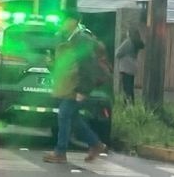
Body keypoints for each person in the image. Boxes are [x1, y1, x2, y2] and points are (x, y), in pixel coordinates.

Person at [44, 11, 107, 164]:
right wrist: (51, 64)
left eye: (65, 19)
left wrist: (82, 90)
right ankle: (95, 144)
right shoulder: (69, 38)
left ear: (73, 21)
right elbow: (67, 64)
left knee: (64, 114)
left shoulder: (81, 39)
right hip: (70, 85)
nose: (63, 23)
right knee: (73, 118)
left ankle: (60, 152)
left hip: (77, 86)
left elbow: (87, 66)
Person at [115, 28, 144, 104]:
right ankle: (131, 103)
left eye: (128, 32)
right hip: (132, 67)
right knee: (130, 87)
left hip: (125, 67)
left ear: (130, 34)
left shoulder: (128, 42)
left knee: (126, 87)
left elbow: (118, 53)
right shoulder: (136, 43)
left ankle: (127, 104)